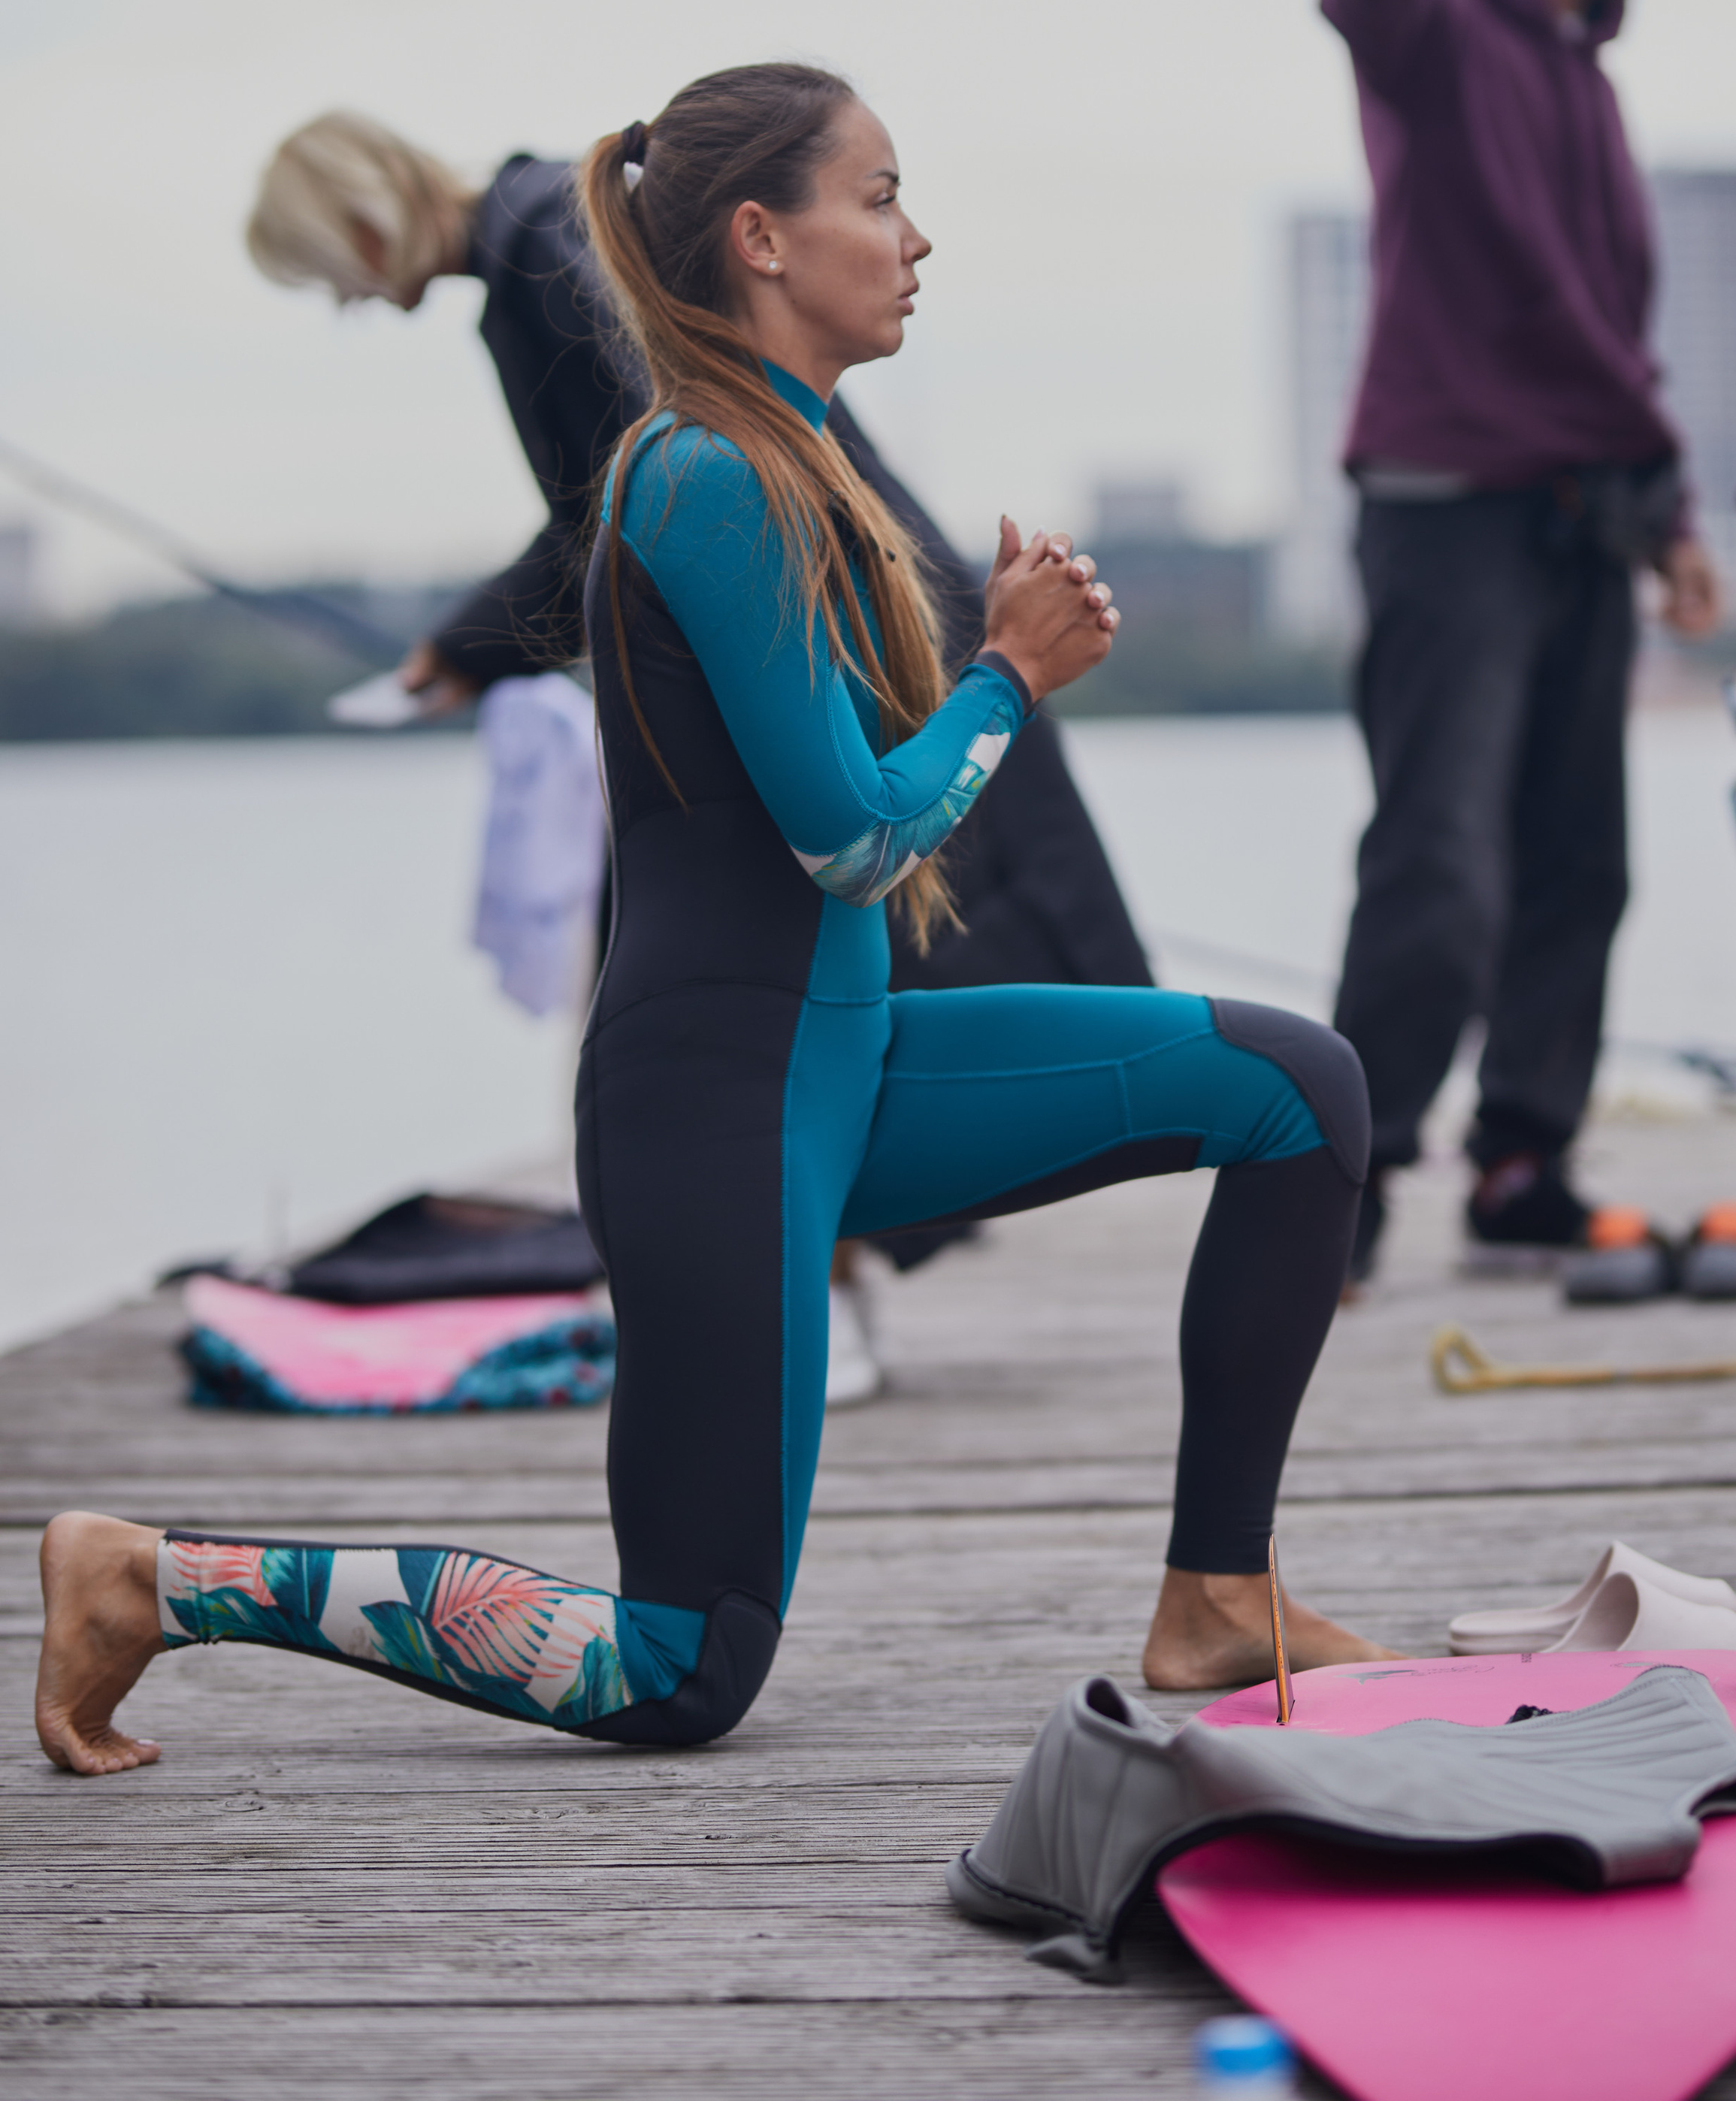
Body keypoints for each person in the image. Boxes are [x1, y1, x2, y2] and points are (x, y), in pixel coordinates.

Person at [38, 60, 1389, 1776]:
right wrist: (1005, 678)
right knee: (677, 1670)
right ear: (763, 237)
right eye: (879, 196)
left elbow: (843, 824)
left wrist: (986, 673)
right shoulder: (698, 477)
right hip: (722, 1107)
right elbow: (846, 842)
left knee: (1299, 1093)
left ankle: (1216, 1595)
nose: (915, 239)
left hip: (848, 1064)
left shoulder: (786, 459)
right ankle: (158, 1581)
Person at [248, 114, 1154, 1389]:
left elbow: (642, 503)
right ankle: (811, 1285)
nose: (351, 305)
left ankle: (807, 1297)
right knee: (838, 952)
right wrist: (465, 650)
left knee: (778, 962)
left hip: (832, 616)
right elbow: (628, 506)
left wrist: (464, 649)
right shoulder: (536, 241)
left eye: (330, 284)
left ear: (356, 231)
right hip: (853, 589)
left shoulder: (535, 267)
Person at [1320, 0, 1727, 1280]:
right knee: (1437, 866)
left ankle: (1519, 1163)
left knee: (1579, 863)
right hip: (1444, 514)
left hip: (1577, 518)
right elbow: (1362, 1)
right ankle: (1336, 1188)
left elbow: (1606, 335)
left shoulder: (1577, 74)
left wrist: (1665, 520)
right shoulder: (1442, 24)